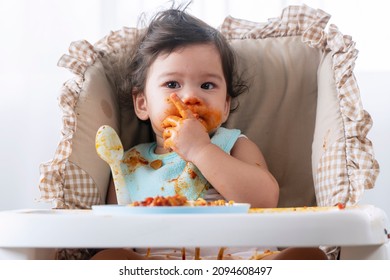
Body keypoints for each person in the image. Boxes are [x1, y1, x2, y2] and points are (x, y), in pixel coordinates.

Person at [92, 7, 327, 260]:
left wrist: (201, 150)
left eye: (207, 85)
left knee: (308, 257)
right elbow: (112, 232)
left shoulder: (234, 145)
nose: (191, 96)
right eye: (172, 84)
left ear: (225, 107)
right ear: (142, 104)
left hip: (243, 262)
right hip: (157, 265)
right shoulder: (127, 165)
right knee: (106, 258)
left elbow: (265, 200)